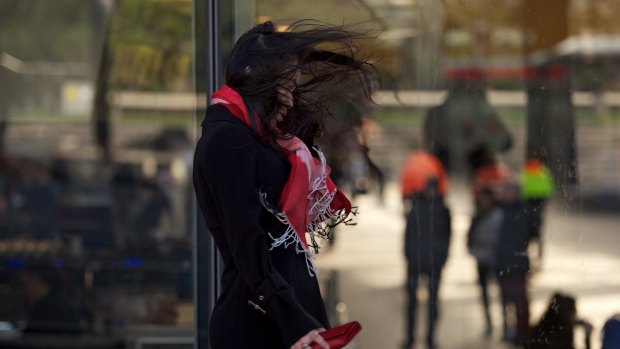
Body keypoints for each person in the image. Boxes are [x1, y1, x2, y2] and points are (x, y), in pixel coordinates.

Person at [193, 21, 376, 349]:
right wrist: (295, 322)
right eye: (286, 89)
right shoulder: (227, 141)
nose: (291, 102)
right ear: (260, 83)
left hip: (287, 318)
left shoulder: (262, 140)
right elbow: (246, 243)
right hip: (260, 327)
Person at [400, 150, 451, 349]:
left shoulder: (441, 210)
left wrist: (443, 257)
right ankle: (412, 338)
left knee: (430, 304)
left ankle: (428, 338)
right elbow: (408, 233)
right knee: (414, 303)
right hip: (418, 258)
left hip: (431, 260)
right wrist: (407, 254)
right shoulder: (424, 207)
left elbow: (448, 236)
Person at [494, 181, 531, 346]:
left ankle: (521, 332)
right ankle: (508, 329)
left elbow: (532, 233)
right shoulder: (498, 209)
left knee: (520, 299)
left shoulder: (525, 211)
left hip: (517, 262)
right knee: (504, 297)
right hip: (502, 261)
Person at [467, 187, 503, 337]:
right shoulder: (478, 216)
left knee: (501, 293)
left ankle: (505, 324)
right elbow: (470, 238)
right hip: (482, 260)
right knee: (485, 294)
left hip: (496, 260)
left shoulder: (498, 215)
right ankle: (489, 323)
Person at [526, 292, 592, 349]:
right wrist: (587, 337)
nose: (576, 317)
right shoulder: (562, 337)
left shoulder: (539, 332)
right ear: (567, 314)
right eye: (574, 313)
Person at [519, 157, 554, 262]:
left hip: (527, 204)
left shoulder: (525, 172)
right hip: (539, 203)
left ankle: (526, 253)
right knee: (538, 230)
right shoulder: (543, 172)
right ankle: (539, 254)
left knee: (526, 230)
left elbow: (520, 188)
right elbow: (550, 189)